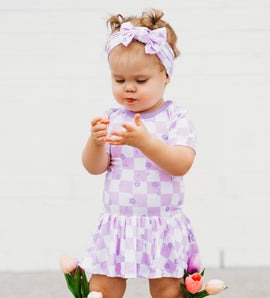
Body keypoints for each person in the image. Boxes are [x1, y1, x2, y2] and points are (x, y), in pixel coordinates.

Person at [80, 8, 200, 298]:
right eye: (119, 80)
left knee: (166, 289)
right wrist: (95, 143)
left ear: (166, 75)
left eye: (140, 81)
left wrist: (145, 142)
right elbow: (95, 168)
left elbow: (181, 163)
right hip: (117, 223)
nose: (128, 89)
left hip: (161, 224)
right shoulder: (112, 117)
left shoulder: (175, 117)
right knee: (103, 286)